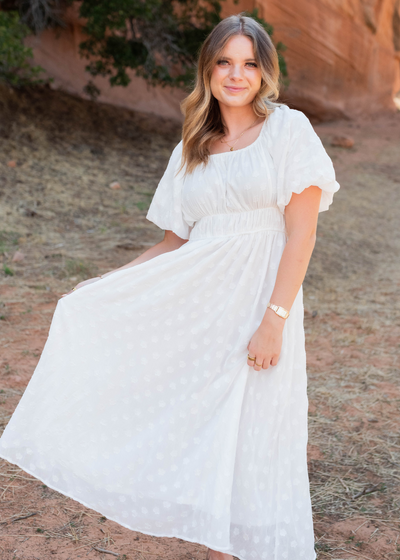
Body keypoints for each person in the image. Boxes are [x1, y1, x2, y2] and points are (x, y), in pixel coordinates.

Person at [0, 13, 340, 560]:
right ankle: (214, 538)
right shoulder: (192, 147)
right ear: (207, 70)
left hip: (260, 304)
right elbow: (172, 244)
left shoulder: (288, 130)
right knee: (198, 419)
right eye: (225, 62)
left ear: (265, 72)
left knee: (256, 425)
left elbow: (301, 232)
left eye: (249, 63)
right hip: (200, 305)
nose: (236, 74)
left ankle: (257, 546)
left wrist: (273, 319)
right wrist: (106, 286)